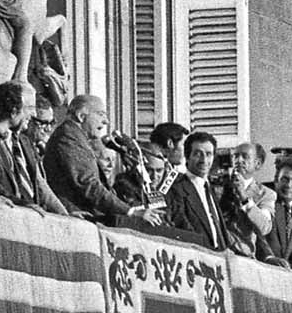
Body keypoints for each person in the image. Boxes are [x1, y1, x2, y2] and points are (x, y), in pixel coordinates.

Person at [44, 94, 164, 226]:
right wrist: (130, 211)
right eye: (101, 114)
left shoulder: (76, 137)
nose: (106, 121)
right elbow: (88, 184)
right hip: (74, 217)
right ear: (81, 116)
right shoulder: (68, 138)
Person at [166, 132, 229, 250]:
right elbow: (182, 229)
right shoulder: (176, 189)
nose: (204, 160)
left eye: (208, 154)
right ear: (187, 156)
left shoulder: (210, 188)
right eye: (197, 154)